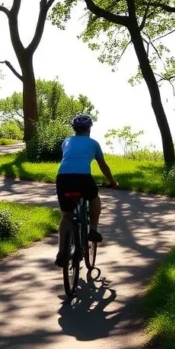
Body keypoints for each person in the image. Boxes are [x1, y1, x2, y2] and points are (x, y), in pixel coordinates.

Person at [55, 113, 118, 268]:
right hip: (83, 177)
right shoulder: (93, 143)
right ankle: (94, 230)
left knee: (66, 215)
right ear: (89, 128)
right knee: (94, 198)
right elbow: (103, 166)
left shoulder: (66, 141)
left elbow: (69, 158)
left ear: (74, 129)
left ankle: (62, 251)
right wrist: (112, 182)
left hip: (63, 177)